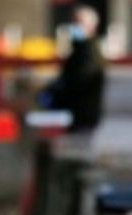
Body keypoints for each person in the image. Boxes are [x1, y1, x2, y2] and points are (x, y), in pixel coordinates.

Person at [41, 5, 106, 134]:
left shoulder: (89, 51)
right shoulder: (78, 49)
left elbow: (77, 83)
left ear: (92, 26)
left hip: (82, 118)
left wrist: (55, 95)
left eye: (78, 22)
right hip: (75, 117)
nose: (74, 26)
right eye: (73, 22)